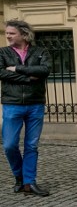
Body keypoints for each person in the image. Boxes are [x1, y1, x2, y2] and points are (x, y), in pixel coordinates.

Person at [1, 19, 51, 196]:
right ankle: (19, 176)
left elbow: (45, 70)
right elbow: (1, 73)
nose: (8, 36)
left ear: (24, 34)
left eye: (11, 33)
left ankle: (29, 182)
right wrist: (29, 77)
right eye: (7, 33)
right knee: (9, 145)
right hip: (12, 104)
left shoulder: (40, 51)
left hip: (35, 104)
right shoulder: (3, 53)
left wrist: (17, 69)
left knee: (31, 145)